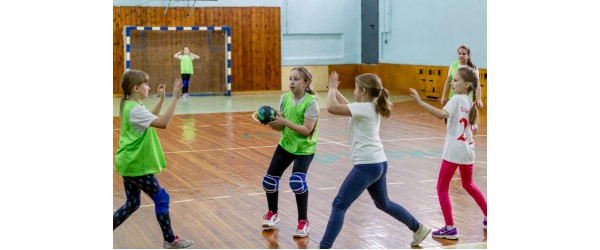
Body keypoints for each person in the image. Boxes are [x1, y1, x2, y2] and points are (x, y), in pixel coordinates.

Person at [318, 72, 431, 248]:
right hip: (379, 163)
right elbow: (350, 106)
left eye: (356, 88)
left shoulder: (364, 109)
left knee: (339, 205)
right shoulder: (370, 107)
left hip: (367, 166)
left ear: (362, 90)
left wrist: (332, 89)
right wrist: (336, 91)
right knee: (383, 203)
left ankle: (324, 247)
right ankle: (418, 228)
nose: (354, 91)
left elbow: (332, 108)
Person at [113, 70, 194, 249]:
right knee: (162, 198)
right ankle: (170, 240)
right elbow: (162, 123)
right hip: (136, 164)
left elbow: (151, 119)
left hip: (128, 162)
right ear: (136, 87)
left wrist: (162, 99)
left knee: (132, 204)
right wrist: (175, 98)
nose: (149, 87)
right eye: (146, 84)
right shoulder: (134, 109)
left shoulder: (131, 105)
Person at [408, 67, 487, 240]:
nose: (451, 82)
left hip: (454, 150)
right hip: (468, 149)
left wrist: (421, 103)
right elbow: (472, 127)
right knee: (468, 184)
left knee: (441, 187)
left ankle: (450, 228)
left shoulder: (457, 98)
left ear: (466, 84)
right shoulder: (469, 101)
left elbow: (441, 114)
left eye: (455, 80)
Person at [261, 66, 319, 238]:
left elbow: (306, 130)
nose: (292, 82)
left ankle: (303, 222)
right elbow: (281, 127)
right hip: (286, 145)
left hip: (304, 149)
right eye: (290, 78)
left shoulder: (311, 103)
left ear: (306, 82)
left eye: (296, 79)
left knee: (297, 181)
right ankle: (273, 214)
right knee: (269, 181)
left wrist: (284, 121)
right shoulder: (284, 98)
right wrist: (273, 123)